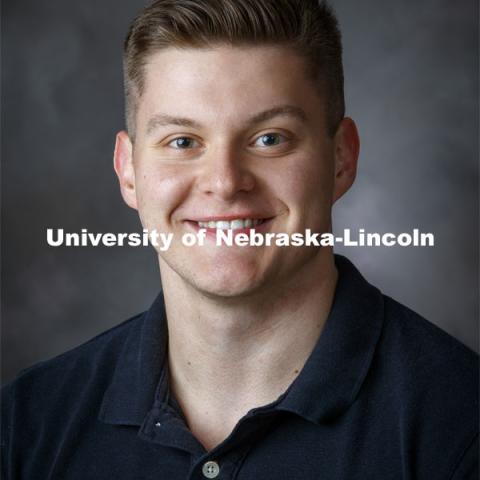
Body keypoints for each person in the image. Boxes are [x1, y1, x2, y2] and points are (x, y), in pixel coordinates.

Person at [2, 0, 478, 478]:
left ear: (341, 159)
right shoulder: (27, 423)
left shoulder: (460, 427)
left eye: (270, 138)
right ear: (128, 171)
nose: (225, 182)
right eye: (183, 141)